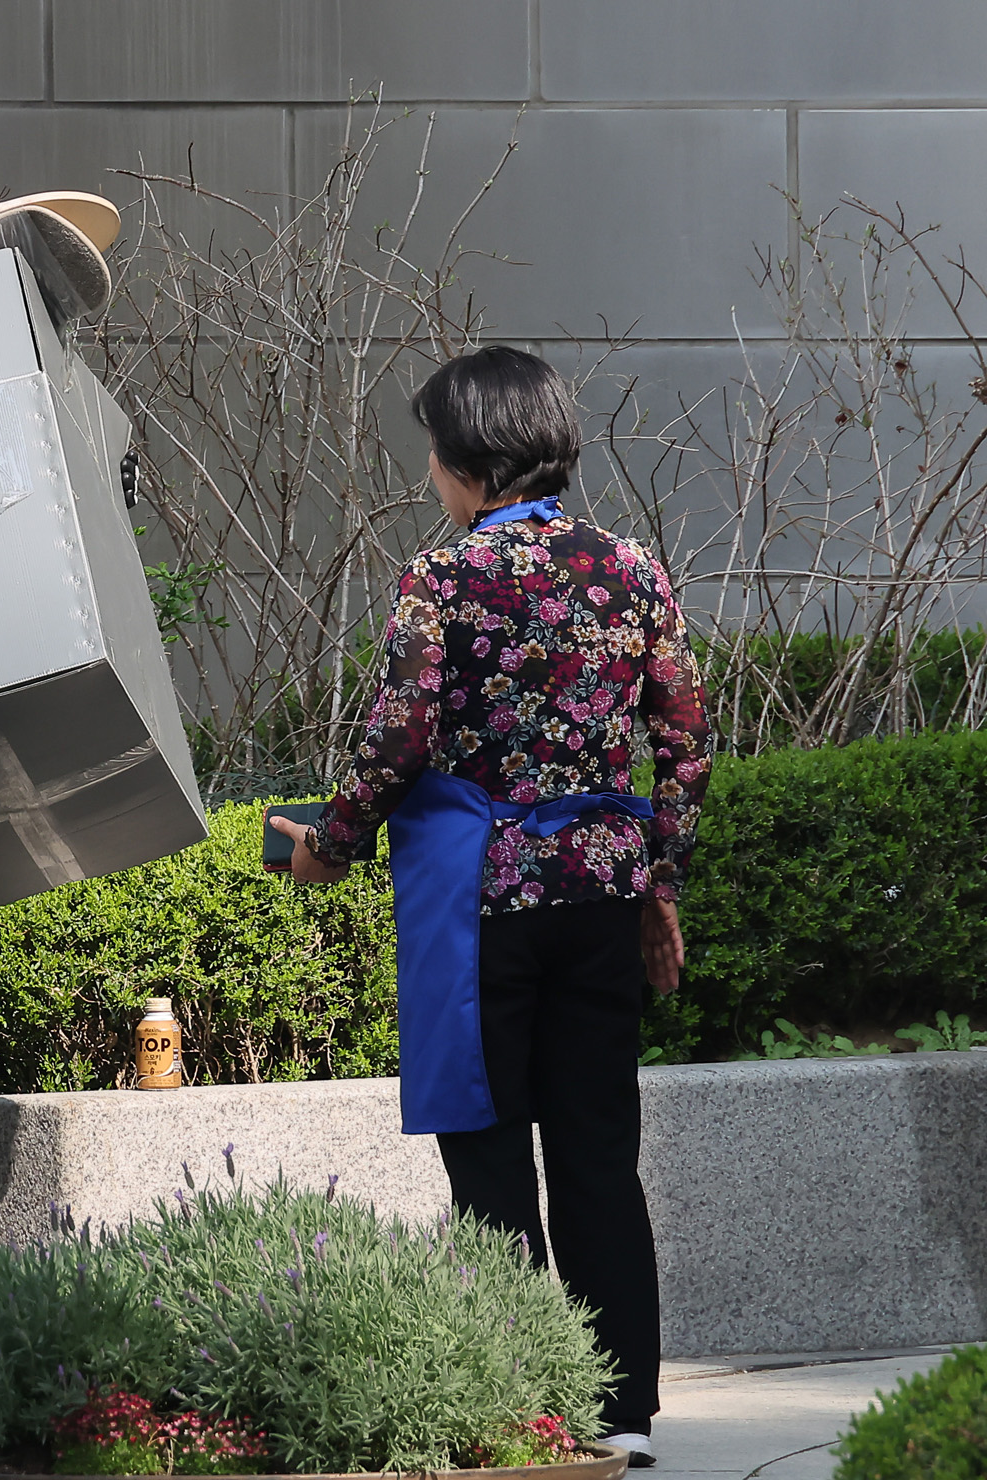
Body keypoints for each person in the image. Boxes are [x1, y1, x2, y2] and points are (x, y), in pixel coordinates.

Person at [270, 347, 712, 1466]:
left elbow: (393, 740)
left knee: (486, 1150)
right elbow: (686, 745)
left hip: (485, 903)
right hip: (599, 895)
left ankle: (523, 1402)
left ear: (467, 462)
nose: (427, 473)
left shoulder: (444, 577)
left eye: (431, 450)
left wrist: (327, 847)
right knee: (598, 1150)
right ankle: (621, 1410)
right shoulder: (630, 568)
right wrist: (654, 879)